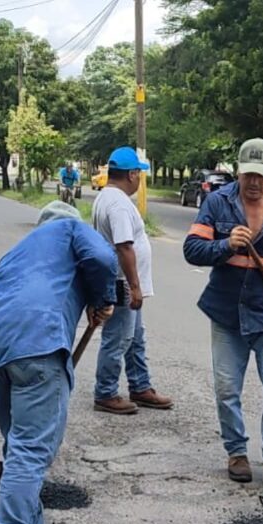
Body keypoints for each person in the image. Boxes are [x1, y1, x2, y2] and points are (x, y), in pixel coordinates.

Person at [0, 201, 118, 524]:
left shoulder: (20, 250)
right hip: (38, 344)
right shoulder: (70, 230)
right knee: (30, 455)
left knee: (17, 447)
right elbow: (105, 257)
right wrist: (103, 298)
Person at [183, 138, 263, 489]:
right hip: (227, 314)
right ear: (238, 172)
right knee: (227, 389)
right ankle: (237, 452)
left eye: (261, 176)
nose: (254, 183)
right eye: (248, 175)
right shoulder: (217, 203)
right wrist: (226, 244)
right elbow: (192, 249)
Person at [92, 146, 173, 414]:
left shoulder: (108, 197)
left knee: (135, 337)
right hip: (122, 282)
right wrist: (134, 287)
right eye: (139, 174)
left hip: (123, 281)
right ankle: (105, 393)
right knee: (118, 338)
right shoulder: (118, 204)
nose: (140, 180)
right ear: (131, 174)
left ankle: (140, 386)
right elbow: (124, 246)